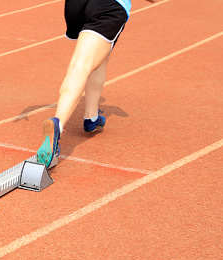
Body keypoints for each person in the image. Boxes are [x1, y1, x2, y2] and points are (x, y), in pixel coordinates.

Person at [36, 0, 157, 167]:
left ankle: (91, 117)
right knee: (81, 66)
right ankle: (58, 123)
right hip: (107, 6)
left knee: (99, 57)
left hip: (75, 6)